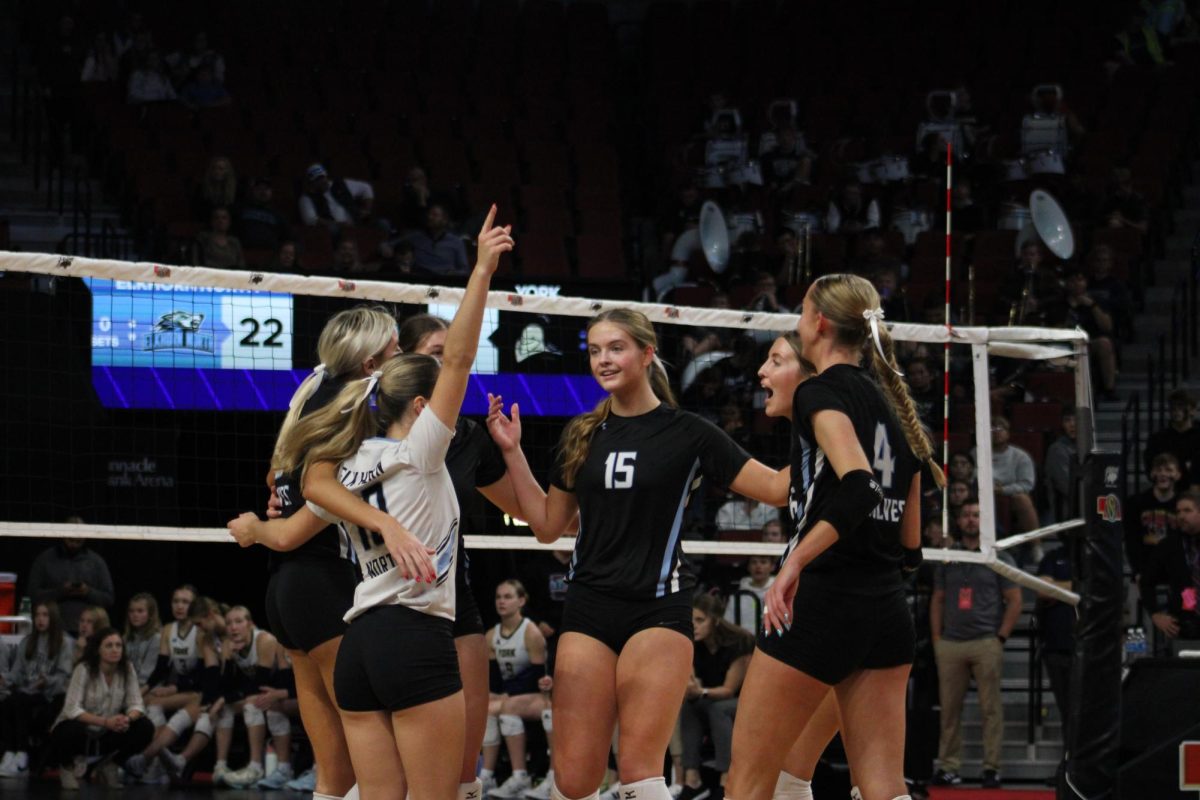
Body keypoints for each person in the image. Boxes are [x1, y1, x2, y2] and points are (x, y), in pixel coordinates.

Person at [230, 205, 512, 800]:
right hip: (414, 637)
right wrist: (482, 270)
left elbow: (305, 491)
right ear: (419, 407)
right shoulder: (423, 452)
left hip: (359, 643)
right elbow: (460, 356)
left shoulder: (348, 467)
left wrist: (257, 526)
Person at [486, 307, 791, 800]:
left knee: (638, 770)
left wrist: (831, 439)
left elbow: (776, 488)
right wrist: (512, 452)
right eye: (594, 351)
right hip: (588, 610)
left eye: (616, 348)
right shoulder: (581, 434)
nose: (603, 360)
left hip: (657, 609)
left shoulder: (689, 433)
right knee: (576, 778)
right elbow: (547, 527)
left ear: (647, 354)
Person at [726, 273, 945, 800]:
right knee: (884, 790)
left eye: (801, 311)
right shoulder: (894, 403)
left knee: (746, 785)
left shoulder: (818, 392)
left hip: (822, 602)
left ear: (819, 323)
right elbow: (911, 546)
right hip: (887, 608)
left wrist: (794, 563)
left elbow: (860, 486)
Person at [229, 304, 406, 800]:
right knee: (372, 741)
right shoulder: (360, 406)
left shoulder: (310, 391)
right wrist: (264, 527)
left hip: (283, 591)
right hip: (325, 580)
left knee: (332, 775)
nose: (402, 355)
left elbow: (275, 476)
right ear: (371, 364)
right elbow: (300, 517)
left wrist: (275, 507)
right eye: (395, 348)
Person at [397, 312, 529, 800]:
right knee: (397, 772)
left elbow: (535, 516)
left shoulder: (470, 436)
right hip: (391, 608)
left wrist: (511, 450)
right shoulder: (373, 432)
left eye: (456, 354)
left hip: (455, 602)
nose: (452, 363)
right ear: (404, 360)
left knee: (464, 772)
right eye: (437, 353)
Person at [930, 500, 1022, 789]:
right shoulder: (949, 556)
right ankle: (948, 767)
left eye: (976, 516)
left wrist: (1000, 638)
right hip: (951, 643)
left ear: (985, 521)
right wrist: (936, 639)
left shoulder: (999, 557)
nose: (971, 520)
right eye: (967, 515)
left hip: (985, 641)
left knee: (990, 710)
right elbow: (938, 598)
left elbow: (1016, 600)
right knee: (949, 710)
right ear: (959, 521)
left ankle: (991, 767)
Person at [124, 593, 221, 784]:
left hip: (196, 689)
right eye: (176, 601)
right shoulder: (169, 630)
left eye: (185, 602)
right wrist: (143, 691)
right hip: (185, 688)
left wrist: (175, 687)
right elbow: (160, 668)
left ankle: (149, 759)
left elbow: (205, 674)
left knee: (198, 706)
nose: (180, 606)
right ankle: (158, 763)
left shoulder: (201, 631)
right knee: (150, 702)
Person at [48, 627, 153, 789]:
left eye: (118, 645)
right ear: (98, 650)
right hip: (81, 730)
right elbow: (72, 709)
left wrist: (127, 718)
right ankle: (67, 767)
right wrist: (104, 722)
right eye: (109, 645)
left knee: (145, 727)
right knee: (69, 727)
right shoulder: (84, 669)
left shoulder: (127, 668)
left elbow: (137, 704)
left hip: (108, 731)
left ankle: (111, 764)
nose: (115, 650)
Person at [679, 595, 753, 800]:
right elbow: (694, 684)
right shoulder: (694, 642)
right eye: (691, 620)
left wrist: (700, 691)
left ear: (716, 620)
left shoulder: (740, 641)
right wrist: (693, 688)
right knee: (689, 706)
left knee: (717, 708)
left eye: (700, 620)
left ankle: (725, 780)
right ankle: (692, 780)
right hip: (713, 697)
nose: (693, 625)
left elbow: (729, 689)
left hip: (745, 700)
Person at [483, 580, 549, 799]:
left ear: (521, 601)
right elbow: (494, 678)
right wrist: (497, 693)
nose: (501, 601)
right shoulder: (492, 635)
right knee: (485, 706)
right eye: (498, 597)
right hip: (511, 692)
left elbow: (537, 676)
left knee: (508, 705)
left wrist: (506, 694)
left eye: (508, 597)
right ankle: (487, 775)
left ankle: (522, 775)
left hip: (537, 694)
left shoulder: (531, 632)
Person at [0, 601, 74, 779]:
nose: (40, 619)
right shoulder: (28, 641)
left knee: (19, 701)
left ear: (53, 618)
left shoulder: (63, 642)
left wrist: (46, 681)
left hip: (48, 694)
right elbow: (17, 672)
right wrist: (5, 679)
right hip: (27, 690)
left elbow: (64, 676)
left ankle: (23, 754)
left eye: (45, 615)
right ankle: (10, 752)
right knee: (6, 702)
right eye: (38, 615)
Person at [1140, 490, 1200, 645]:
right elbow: (1146, 582)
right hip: (1185, 624)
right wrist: (1155, 614)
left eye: (1187, 510)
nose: (1181, 516)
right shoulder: (1169, 546)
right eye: (1178, 511)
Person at [26, 533, 115, 634]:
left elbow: (108, 598)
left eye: (78, 541)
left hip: (91, 631)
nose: (74, 545)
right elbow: (32, 595)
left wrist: (88, 592)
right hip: (53, 630)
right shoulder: (45, 560)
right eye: (71, 540)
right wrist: (60, 591)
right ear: (63, 536)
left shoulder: (96, 562)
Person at [974, 417, 1038, 535]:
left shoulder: (1021, 456)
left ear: (1008, 433)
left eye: (1000, 429)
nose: (996, 432)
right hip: (980, 493)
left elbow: (1027, 484)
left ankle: (1036, 547)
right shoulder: (975, 453)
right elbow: (971, 475)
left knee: (1023, 499)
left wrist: (1002, 489)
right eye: (992, 429)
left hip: (1010, 495)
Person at [1125, 453, 1182, 580]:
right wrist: (1138, 570)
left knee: (1187, 598)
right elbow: (1132, 541)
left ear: (1178, 475)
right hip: (1147, 566)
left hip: (1178, 569)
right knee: (1146, 596)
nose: (1163, 474)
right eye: (1159, 470)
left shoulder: (1183, 505)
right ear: (1152, 474)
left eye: (1168, 470)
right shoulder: (1135, 503)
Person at [1144, 389, 1200, 487]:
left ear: (1193, 410)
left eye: (1181, 406)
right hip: (1168, 491)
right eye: (1173, 407)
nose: (1176, 411)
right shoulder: (1158, 439)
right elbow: (1151, 470)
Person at [299, 163, 375, 231]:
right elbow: (311, 220)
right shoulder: (306, 198)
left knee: (382, 224)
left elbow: (366, 188)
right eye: (317, 180)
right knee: (333, 229)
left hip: (356, 223)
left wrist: (366, 210)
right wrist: (337, 224)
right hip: (334, 230)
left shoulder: (342, 184)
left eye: (322, 177)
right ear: (312, 182)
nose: (321, 181)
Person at [405, 203, 470, 276]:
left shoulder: (456, 242)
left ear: (444, 220)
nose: (430, 217)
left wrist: (452, 274)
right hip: (420, 278)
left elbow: (465, 270)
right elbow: (392, 245)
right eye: (429, 214)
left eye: (434, 215)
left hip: (445, 280)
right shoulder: (416, 237)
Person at [724, 556, 775, 635]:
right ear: (748, 567)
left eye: (763, 562)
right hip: (743, 642)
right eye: (754, 562)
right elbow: (727, 623)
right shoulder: (737, 595)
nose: (758, 566)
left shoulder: (780, 593)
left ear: (772, 567)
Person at [1043, 407, 1077, 522]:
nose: (1072, 424)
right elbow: (1066, 486)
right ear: (1062, 425)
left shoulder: (1088, 446)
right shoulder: (1057, 449)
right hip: (1066, 511)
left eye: (1076, 419)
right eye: (1067, 420)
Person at [123, 593, 163, 691]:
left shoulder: (156, 638)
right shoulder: (126, 637)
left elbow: (147, 673)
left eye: (140, 611)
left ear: (150, 614)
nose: (135, 615)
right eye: (131, 611)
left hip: (148, 688)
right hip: (127, 685)